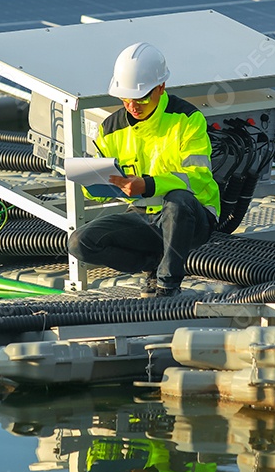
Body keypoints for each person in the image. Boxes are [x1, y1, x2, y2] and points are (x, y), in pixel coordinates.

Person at [67, 42, 221, 298]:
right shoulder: (109, 129)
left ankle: (166, 285)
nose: (133, 106)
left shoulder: (187, 119)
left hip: (192, 217)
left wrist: (147, 185)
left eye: (141, 98)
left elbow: (198, 179)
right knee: (80, 243)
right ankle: (153, 263)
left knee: (177, 200)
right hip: (143, 215)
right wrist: (93, 181)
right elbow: (100, 195)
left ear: (161, 88)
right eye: (125, 99)